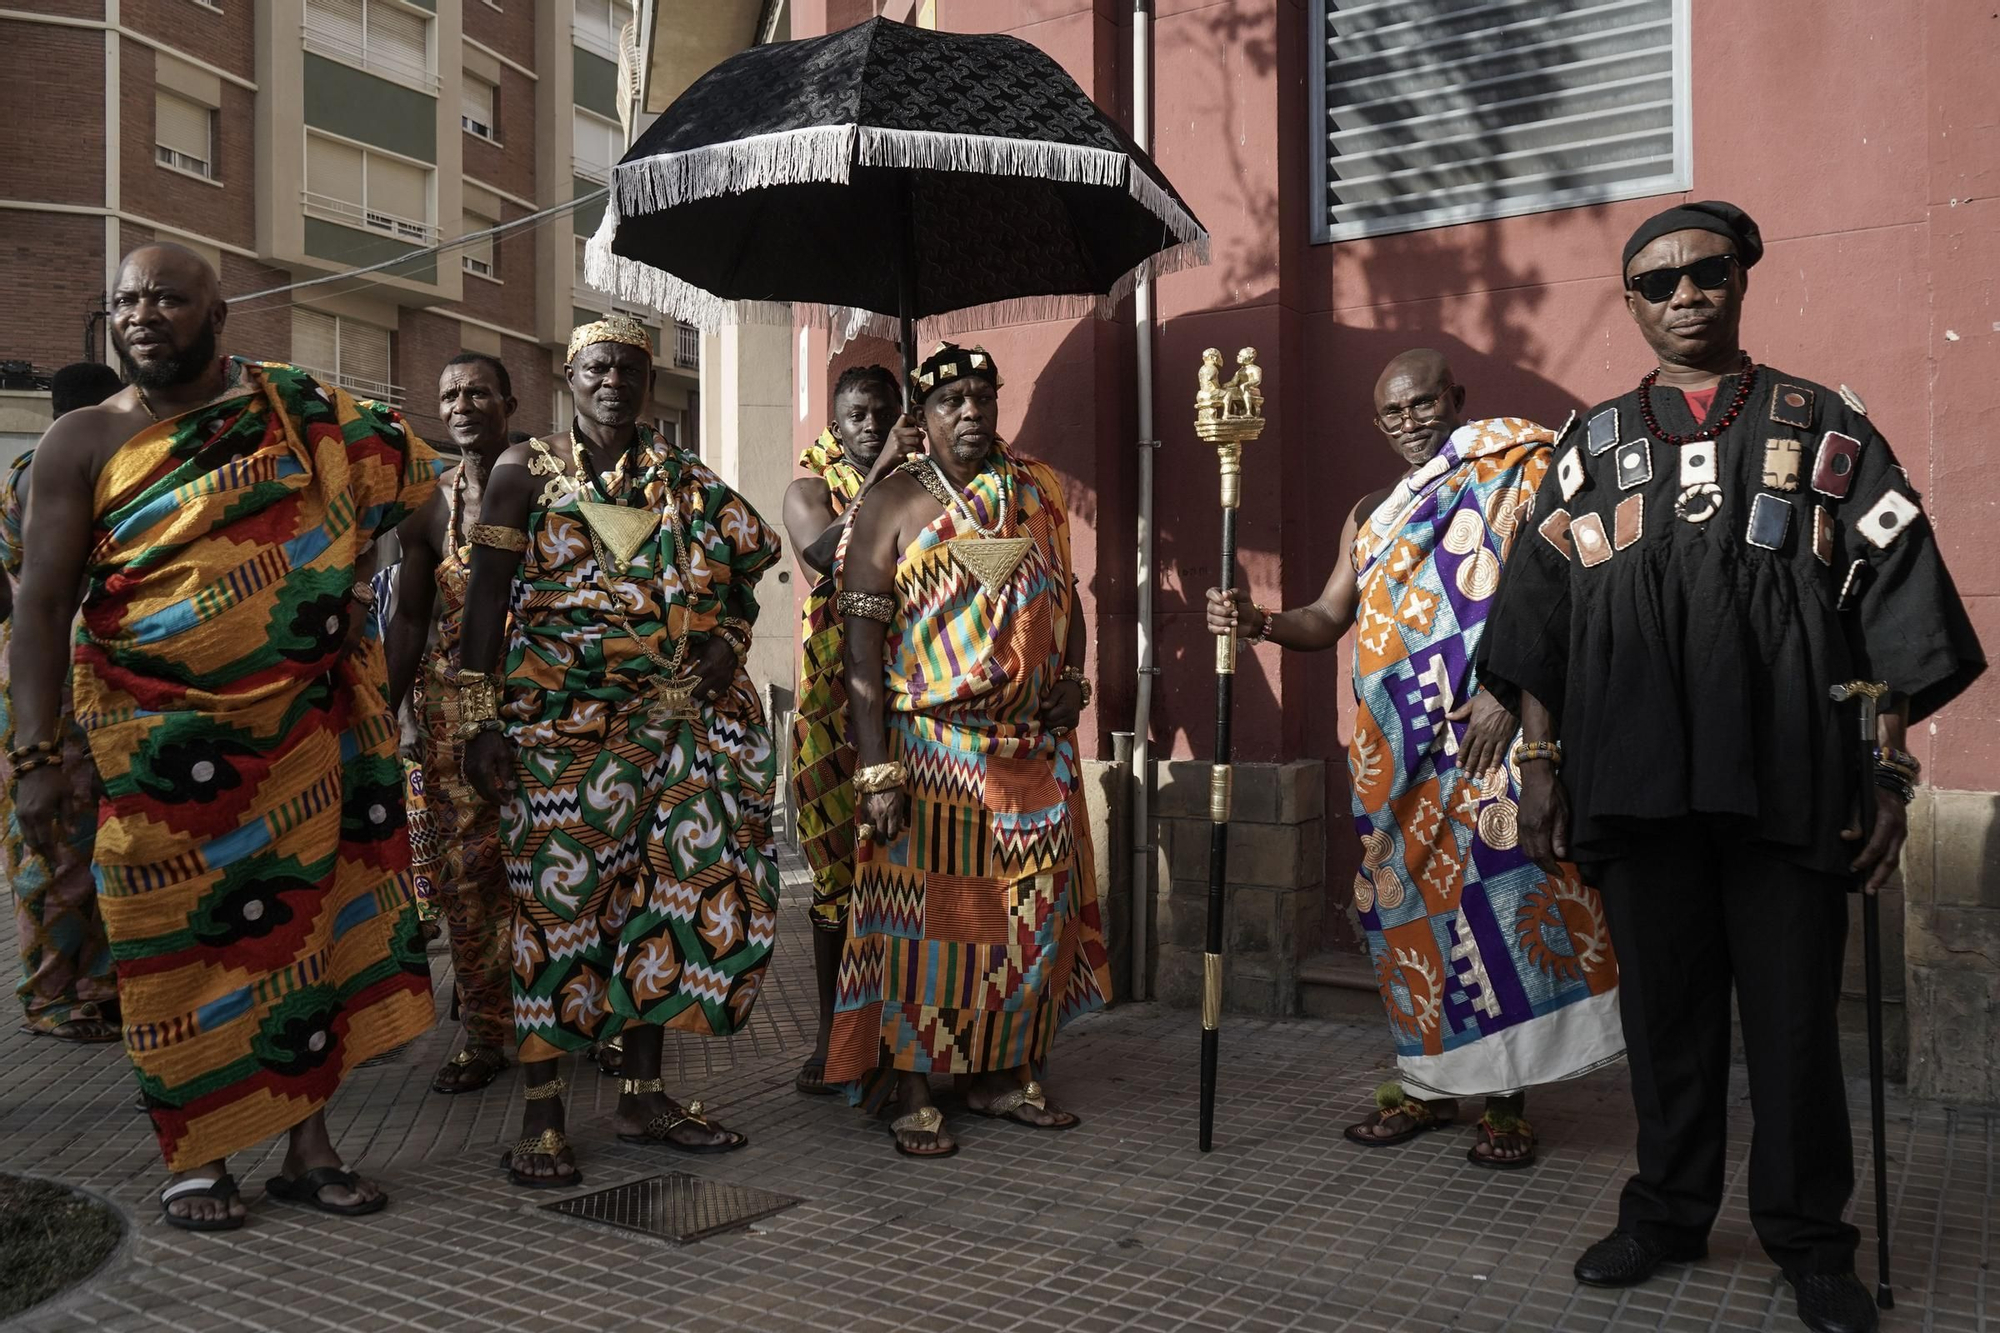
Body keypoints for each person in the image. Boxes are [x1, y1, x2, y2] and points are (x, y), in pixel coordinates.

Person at [1479, 201, 1985, 1333]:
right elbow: (1536, 619)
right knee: (1665, 1016)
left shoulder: (1822, 425)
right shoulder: (1590, 444)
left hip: (1789, 777)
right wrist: (1540, 765)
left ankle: (1809, 1241)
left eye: (1703, 272)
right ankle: (1663, 1211)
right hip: (1635, 780)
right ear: (1631, 304)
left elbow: (1895, 595)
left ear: (1740, 279)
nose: (1683, 295)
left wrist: (1889, 776)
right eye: (1655, 284)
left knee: (1795, 1022)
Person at [9, 243, 441, 1231]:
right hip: (158, 755)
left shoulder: (301, 413)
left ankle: (308, 1149)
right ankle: (198, 1155)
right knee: (176, 951)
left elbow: (417, 495)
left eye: (168, 296)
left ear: (219, 312)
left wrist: (380, 622)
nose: (143, 314)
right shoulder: (80, 440)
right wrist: (35, 757)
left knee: (308, 935)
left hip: (303, 736)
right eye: (125, 300)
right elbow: (39, 610)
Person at [1206, 350, 1622, 1170]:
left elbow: (1561, 592)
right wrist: (1255, 621)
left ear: (1456, 399)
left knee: (1501, 913)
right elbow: (1328, 616)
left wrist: (1509, 689)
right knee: (1409, 927)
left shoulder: (1518, 471)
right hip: (1396, 759)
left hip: (1487, 744)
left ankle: (1506, 1102)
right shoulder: (1371, 512)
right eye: (1393, 413)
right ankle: (1429, 1086)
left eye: (1424, 403)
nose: (1411, 422)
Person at [455, 314, 783, 1188]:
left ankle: (641, 1094)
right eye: (598, 367)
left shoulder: (681, 475)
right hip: (556, 734)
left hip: (672, 735)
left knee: (663, 910)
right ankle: (543, 1117)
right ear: (570, 377)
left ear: (647, 381)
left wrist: (731, 643)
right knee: (552, 918)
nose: (615, 382)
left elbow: (756, 555)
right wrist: (477, 722)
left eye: (630, 369)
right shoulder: (524, 473)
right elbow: (484, 602)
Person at [825, 342, 1113, 1158]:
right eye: (950, 399)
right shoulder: (890, 503)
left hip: (1030, 751)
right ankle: (913, 1087)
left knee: (1029, 921)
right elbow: (861, 646)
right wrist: (875, 765)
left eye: (982, 394)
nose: (970, 411)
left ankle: (1000, 1075)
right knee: (932, 929)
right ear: (923, 414)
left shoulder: (1037, 492)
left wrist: (1076, 680)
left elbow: (1067, 596)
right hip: (931, 751)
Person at [385, 353, 521, 1095]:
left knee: (561, 870)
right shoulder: (429, 504)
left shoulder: (549, 488)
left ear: (509, 398)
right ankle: (484, 1032)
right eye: (449, 392)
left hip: (546, 706)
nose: (463, 403)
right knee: (467, 879)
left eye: (477, 391)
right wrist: (384, 709)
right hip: (454, 723)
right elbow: (411, 616)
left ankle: (578, 1019)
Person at [780, 363, 917, 1095]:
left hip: (906, 697)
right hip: (830, 708)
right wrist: (888, 473)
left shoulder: (922, 483)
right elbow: (820, 558)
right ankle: (835, 1036)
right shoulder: (809, 486)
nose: (871, 426)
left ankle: (900, 1037)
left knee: (902, 871)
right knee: (834, 881)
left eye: (883, 411)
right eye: (858, 415)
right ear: (836, 422)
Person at [0, 362, 124, 1042]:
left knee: (88, 838)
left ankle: (94, 987)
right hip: (62, 680)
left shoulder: (23, 467)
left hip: (48, 672)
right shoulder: (66, 471)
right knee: (59, 843)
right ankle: (55, 997)